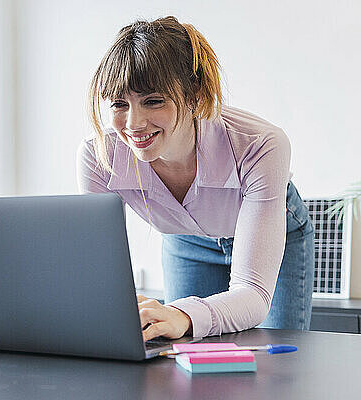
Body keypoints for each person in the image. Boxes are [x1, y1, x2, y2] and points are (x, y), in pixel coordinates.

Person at [77, 16, 314, 340]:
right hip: (186, 239)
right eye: (120, 103)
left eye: (153, 100)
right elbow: (94, 272)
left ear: (194, 96)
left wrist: (183, 315)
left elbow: (253, 295)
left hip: (279, 237)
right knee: (183, 359)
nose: (133, 123)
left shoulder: (261, 145)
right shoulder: (99, 156)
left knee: (277, 362)